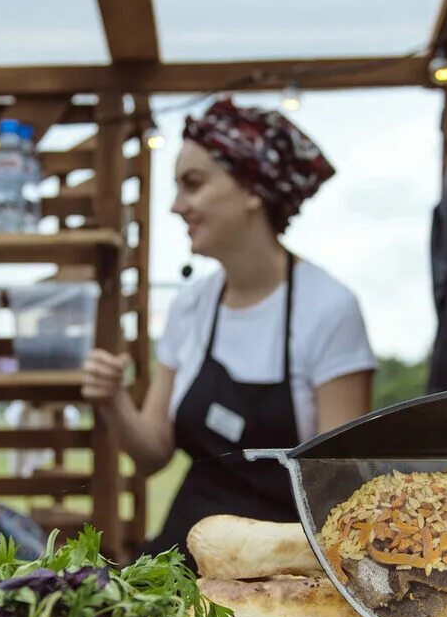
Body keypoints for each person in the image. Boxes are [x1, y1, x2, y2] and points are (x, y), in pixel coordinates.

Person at [82, 97, 375, 561]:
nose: (177, 206)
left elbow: (340, 486)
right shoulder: (190, 306)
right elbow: (152, 455)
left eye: (192, 185)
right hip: (182, 557)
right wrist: (113, 401)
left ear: (252, 190)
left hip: (286, 563)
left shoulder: (328, 308)